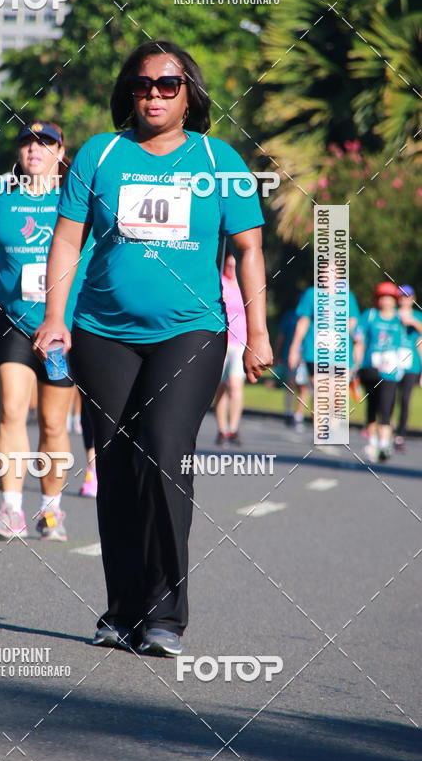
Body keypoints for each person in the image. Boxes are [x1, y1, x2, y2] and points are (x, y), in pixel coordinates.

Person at [34, 40, 272, 656]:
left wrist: (258, 335)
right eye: (144, 85)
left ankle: (165, 613)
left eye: (169, 85)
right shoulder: (100, 153)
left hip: (190, 331)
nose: (155, 95)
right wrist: (55, 317)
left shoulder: (220, 161)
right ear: (128, 91)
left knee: (166, 454)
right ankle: (122, 609)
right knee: (115, 467)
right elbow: (65, 243)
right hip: (102, 332)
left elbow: (248, 251)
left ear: (189, 92)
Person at [0, 120, 90, 541]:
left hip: (62, 329)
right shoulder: (0, 201)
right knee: (11, 409)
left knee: (53, 424)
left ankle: (51, 511)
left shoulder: (79, 200)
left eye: (45, 142)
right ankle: (11, 509)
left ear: (60, 152)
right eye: (27, 143)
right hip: (13, 322)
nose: (34, 149)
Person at [288, 275, 360, 409]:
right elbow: (303, 322)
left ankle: (332, 427)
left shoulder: (348, 296)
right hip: (315, 352)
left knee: (337, 396)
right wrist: (294, 347)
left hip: (339, 353)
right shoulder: (311, 294)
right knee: (322, 393)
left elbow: (354, 321)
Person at [354, 282, 406, 462]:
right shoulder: (370, 315)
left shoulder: (401, 318)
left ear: (395, 300)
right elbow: (359, 340)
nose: (386, 301)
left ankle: (384, 446)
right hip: (370, 367)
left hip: (391, 370)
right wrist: (355, 364)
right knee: (372, 406)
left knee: (386, 407)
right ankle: (374, 442)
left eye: (389, 298)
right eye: (382, 297)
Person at [214, 251, 246, 446]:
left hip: (240, 342)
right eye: (229, 266)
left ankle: (233, 428)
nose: (232, 270)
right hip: (222, 341)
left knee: (235, 385)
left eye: (235, 266)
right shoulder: (220, 283)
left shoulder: (244, 285)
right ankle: (222, 428)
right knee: (221, 387)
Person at [394, 285, 422, 451]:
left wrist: (412, 321)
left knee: (405, 399)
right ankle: (386, 428)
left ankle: (400, 435)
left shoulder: (417, 315)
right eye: (402, 296)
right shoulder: (391, 314)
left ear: (413, 299)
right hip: (391, 361)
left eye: (407, 296)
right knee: (388, 397)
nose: (404, 299)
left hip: (411, 363)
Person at [274, 306, 310, 431]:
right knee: (290, 385)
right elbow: (281, 336)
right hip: (289, 356)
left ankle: (298, 416)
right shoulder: (290, 316)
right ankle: (288, 412)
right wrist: (277, 355)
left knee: (304, 387)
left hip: (306, 356)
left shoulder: (313, 316)